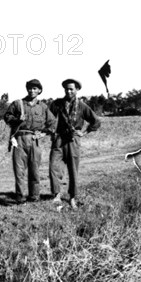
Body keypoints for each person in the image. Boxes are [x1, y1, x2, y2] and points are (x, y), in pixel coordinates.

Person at [49, 79, 101, 209]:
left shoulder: (82, 106)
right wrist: (51, 132)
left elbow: (96, 121)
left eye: (71, 89)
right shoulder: (57, 104)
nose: (68, 91)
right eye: (66, 89)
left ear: (77, 90)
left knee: (73, 170)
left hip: (73, 140)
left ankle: (72, 197)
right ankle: (56, 194)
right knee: (54, 167)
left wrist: (84, 132)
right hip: (59, 139)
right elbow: (48, 119)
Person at [4, 79, 55, 203]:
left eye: (35, 88)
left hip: (34, 140)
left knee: (34, 170)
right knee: (19, 170)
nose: (32, 91)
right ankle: (20, 197)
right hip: (19, 138)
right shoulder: (18, 104)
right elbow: (7, 117)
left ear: (39, 91)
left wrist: (43, 133)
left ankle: (34, 196)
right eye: (30, 88)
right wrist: (17, 120)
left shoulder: (43, 107)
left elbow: (52, 123)